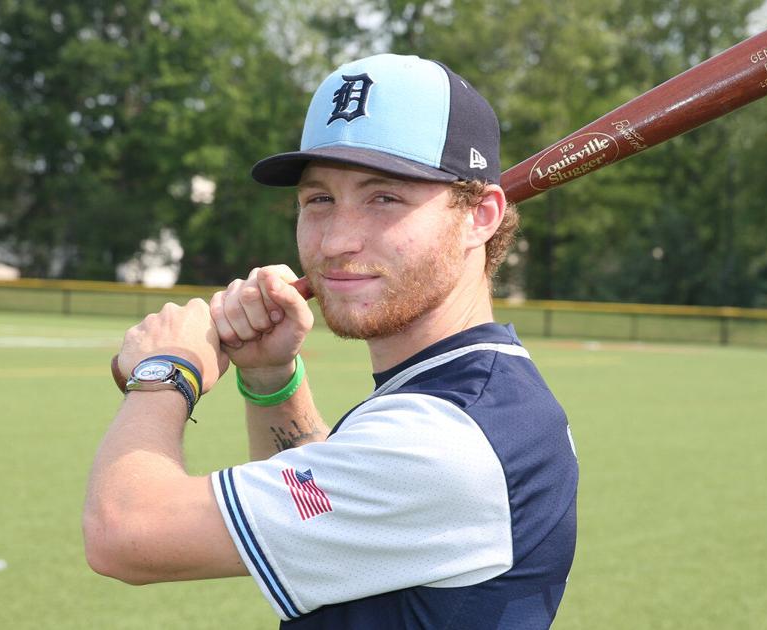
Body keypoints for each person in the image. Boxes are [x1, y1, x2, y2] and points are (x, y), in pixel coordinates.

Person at [83, 54, 578, 629]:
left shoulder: (446, 440)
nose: (338, 241)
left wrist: (167, 372)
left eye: (385, 198)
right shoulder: (477, 394)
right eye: (319, 200)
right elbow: (326, 507)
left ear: (480, 216)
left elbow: (125, 533)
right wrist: (271, 379)